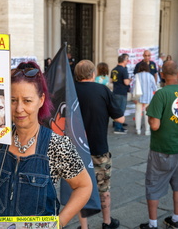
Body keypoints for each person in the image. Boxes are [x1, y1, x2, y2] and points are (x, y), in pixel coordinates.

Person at [0, 62, 92, 227]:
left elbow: (84, 186)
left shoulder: (57, 144)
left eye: (27, 101)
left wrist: (59, 222)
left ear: (41, 100)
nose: (19, 109)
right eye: (13, 100)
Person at [139, 60, 178, 229]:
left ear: (162, 75)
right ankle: (177, 220)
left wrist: (150, 115)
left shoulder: (160, 94)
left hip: (161, 149)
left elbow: (155, 125)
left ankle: (152, 224)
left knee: (153, 185)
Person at [74, 60, 124, 229]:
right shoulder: (103, 90)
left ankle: (84, 226)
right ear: (93, 74)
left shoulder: (71, 91)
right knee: (104, 188)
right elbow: (120, 118)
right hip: (99, 148)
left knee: (79, 189)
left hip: (76, 149)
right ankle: (107, 222)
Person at [132, 62, 157, 136]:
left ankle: (138, 129)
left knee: (138, 112)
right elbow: (154, 88)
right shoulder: (150, 76)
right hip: (148, 97)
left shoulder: (136, 76)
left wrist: (134, 97)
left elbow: (133, 87)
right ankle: (147, 130)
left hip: (138, 97)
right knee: (147, 114)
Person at [111, 53, 131, 134]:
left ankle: (117, 124)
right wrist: (130, 80)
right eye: (127, 60)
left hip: (115, 91)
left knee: (116, 109)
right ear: (124, 61)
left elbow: (111, 80)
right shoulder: (123, 70)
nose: (127, 62)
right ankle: (118, 128)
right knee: (121, 110)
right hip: (122, 92)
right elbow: (126, 82)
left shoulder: (114, 69)